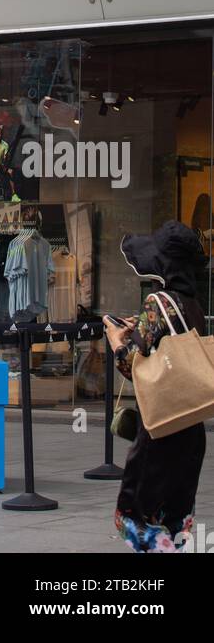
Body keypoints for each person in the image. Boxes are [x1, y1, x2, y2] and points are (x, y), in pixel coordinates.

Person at [105, 220, 208, 553]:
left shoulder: (158, 302)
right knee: (176, 517)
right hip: (189, 425)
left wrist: (116, 341)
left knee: (141, 515)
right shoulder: (192, 302)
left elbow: (132, 366)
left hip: (161, 426)